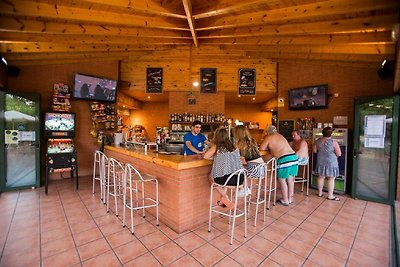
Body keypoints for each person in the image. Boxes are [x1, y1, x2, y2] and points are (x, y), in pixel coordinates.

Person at [203, 127, 244, 209]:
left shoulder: (217, 147)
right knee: (225, 173)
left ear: (216, 136)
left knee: (211, 178)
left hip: (229, 180)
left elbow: (205, 156)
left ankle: (226, 198)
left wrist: (214, 157)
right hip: (240, 178)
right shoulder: (234, 146)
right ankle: (223, 200)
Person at [259, 125, 298, 206]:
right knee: (290, 180)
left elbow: (261, 148)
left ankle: (285, 200)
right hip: (294, 157)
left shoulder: (269, 137)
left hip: (284, 159)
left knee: (282, 180)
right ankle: (290, 199)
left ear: (268, 132)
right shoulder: (281, 136)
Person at [313, 127, 341, 201]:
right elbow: (339, 154)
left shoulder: (317, 141)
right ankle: (330, 195)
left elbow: (315, 151)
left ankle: (320, 193)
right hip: (331, 161)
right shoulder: (334, 142)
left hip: (320, 160)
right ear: (331, 134)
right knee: (331, 178)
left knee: (321, 177)